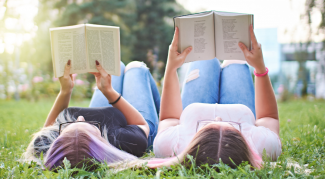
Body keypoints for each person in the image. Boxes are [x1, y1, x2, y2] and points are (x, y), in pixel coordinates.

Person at [150, 25, 281, 169]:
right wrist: (260, 67)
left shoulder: (171, 145)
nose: (218, 118)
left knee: (205, 58)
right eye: (231, 127)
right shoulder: (262, 145)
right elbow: (269, 118)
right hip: (241, 107)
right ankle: (231, 63)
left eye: (207, 127)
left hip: (195, 106)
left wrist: (171, 67)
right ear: (243, 143)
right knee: (235, 61)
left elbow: (169, 118)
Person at [23, 60, 160, 170]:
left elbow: (48, 130)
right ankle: (166, 117)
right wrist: (109, 92)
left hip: (109, 114)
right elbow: (141, 124)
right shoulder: (126, 140)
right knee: (136, 68)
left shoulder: (50, 146)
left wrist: (65, 90)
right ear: (99, 138)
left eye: (71, 124)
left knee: (114, 66)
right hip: (134, 124)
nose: (80, 118)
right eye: (88, 125)